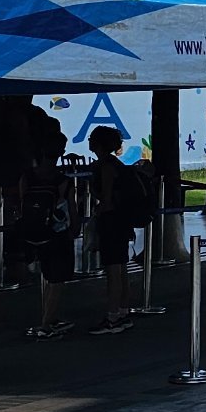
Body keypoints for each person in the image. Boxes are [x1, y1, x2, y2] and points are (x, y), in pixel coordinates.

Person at [86, 126, 152, 333]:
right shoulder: (117, 165)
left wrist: (97, 210)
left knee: (113, 270)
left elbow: (106, 199)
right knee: (121, 267)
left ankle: (112, 316)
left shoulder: (105, 167)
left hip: (111, 221)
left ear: (98, 144)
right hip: (122, 220)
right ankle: (123, 311)